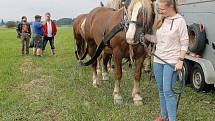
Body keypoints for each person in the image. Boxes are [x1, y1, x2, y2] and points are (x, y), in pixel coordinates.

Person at [144, 0, 189, 121]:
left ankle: (172, 119)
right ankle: (164, 117)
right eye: (159, 9)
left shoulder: (180, 21)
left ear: (171, 6)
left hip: (171, 61)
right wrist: (145, 36)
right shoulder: (162, 19)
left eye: (162, 9)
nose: (160, 11)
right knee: (161, 90)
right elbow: (158, 39)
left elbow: (185, 43)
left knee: (168, 91)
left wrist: (180, 60)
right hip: (158, 60)